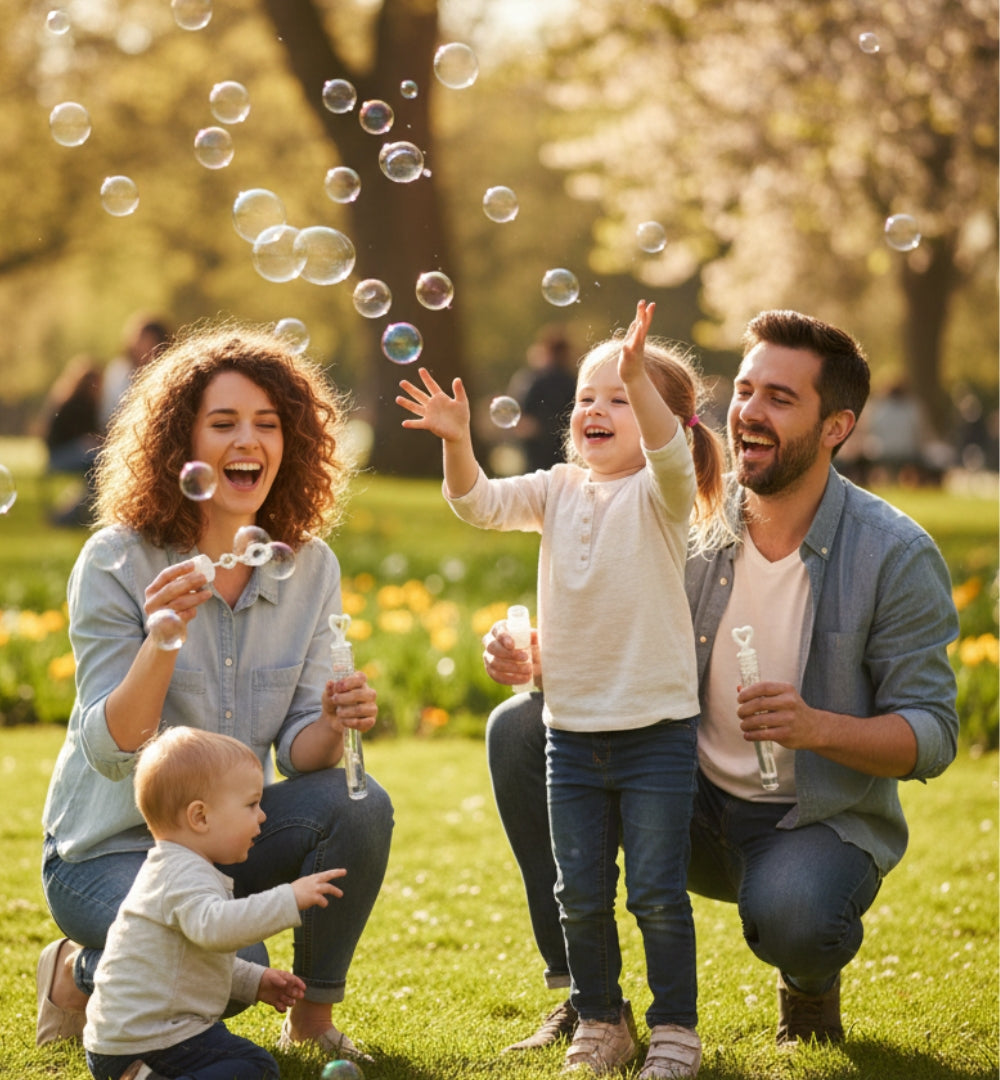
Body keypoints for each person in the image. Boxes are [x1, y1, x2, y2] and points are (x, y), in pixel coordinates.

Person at [482, 309, 960, 1055]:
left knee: (799, 916)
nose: (749, 414)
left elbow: (932, 734)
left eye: (779, 397)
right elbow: (624, 630)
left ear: (836, 427)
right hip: (680, 786)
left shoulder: (894, 554)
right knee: (520, 727)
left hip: (807, 818)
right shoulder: (687, 510)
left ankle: (807, 980)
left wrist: (815, 726)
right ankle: (590, 999)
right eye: (744, 390)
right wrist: (541, 659)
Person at [36, 322, 393, 1062]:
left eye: (268, 424)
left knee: (359, 802)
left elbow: (301, 756)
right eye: (223, 423)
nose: (248, 443)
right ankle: (76, 972)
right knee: (242, 972)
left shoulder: (310, 568)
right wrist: (162, 638)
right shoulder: (116, 560)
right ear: (180, 443)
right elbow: (110, 751)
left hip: (223, 841)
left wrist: (331, 721)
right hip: (106, 853)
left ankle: (314, 1017)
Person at [397, 301, 727, 1078]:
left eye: (620, 396)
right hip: (572, 734)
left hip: (655, 734)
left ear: (657, 417)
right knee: (578, 892)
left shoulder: (659, 495)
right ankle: (602, 1019)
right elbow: (476, 502)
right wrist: (456, 443)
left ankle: (675, 1028)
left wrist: (639, 376)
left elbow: (669, 450)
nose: (595, 409)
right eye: (586, 396)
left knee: (654, 893)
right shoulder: (554, 489)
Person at [84, 726, 347, 1080]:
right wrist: (289, 898)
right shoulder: (182, 874)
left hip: (133, 1043)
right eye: (252, 805)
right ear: (200, 817)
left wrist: (254, 981)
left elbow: (190, 960)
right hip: (149, 1042)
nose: (262, 816)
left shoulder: (179, 866)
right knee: (256, 1067)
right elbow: (214, 929)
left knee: (240, 1056)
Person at [39, 354, 105, 527]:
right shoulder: (76, 404)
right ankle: (70, 515)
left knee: (96, 469)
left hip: (66, 454)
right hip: (59, 457)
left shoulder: (79, 402)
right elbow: (86, 437)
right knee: (99, 464)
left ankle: (75, 513)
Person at [506, 324, 578, 471]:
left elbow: (521, 417)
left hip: (537, 450)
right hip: (565, 449)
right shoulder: (574, 381)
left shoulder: (533, 380)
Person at [99, 312, 173, 429]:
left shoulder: (167, 373)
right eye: (140, 340)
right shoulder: (118, 371)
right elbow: (107, 412)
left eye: (149, 341)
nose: (143, 347)